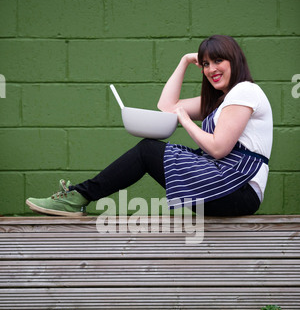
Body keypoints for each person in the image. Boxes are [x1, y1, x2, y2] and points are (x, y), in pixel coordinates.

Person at [26, 35, 273, 218]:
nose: (211, 69)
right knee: (148, 149)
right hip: (223, 185)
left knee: (148, 151)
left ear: (235, 60)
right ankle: (78, 196)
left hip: (238, 190)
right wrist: (185, 60)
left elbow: (218, 149)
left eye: (218, 60)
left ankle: (78, 197)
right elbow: (167, 106)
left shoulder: (245, 91)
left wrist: (185, 121)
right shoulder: (222, 101)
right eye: (206, 63)